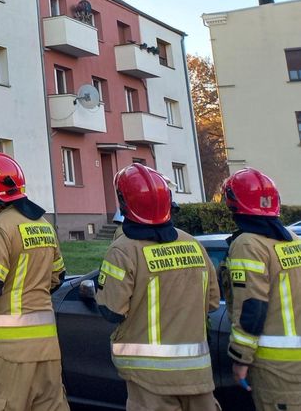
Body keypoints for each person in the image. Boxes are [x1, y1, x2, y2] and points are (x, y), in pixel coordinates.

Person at [96, 164, 219, 411]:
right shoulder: (192, 243)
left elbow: (111, 310)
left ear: (124, 202)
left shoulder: (124, 249)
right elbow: (213, 302)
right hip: (198, 373)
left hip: (148, 378)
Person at [0, 152, 69, 411]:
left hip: (6, 355)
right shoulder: (44, 225)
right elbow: (58, 277)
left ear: (3, 191)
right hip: (47, 352)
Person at [220, 167, 301, 411]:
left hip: (276, 367)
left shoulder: (248, 245)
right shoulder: (292, 239)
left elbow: (252, 307)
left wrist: (241, 358)